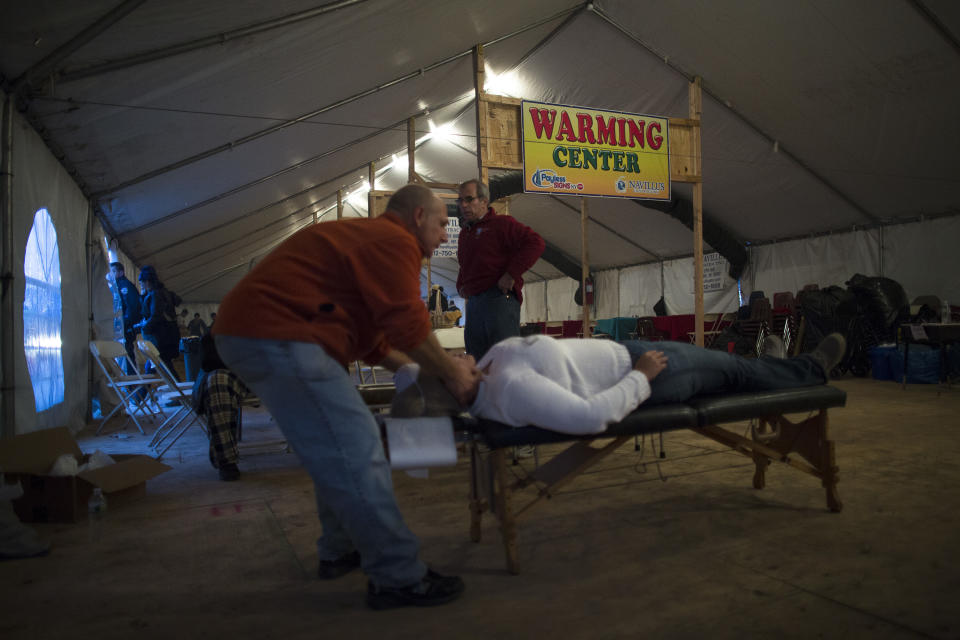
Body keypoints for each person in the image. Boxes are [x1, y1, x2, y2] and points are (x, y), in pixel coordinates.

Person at [212, 183, 479, 610]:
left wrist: (416, 371)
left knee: (341, 446)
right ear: (416, 218)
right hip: (279, 332)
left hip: (263, 331)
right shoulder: (394, 241)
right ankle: (397, 576)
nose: (446, 235)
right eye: (442, 223)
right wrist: (456, 377)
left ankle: (340, 549)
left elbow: (375, 341)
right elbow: (408, 326)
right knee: (358, 449)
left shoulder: (367, 241)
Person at [393, 333, 847, 436]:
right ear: (455, 387)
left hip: (629, 349)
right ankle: (811, 368)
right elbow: (590, 418)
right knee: (735, 371)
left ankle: (774, 368)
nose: (451, 355)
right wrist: (641, 376)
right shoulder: (510, 390)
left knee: (734, 372)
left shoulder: (489, 368)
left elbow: (407, 379)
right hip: (653, 371)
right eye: (445, 364)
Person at [456, 179, 544, 360]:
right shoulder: (465, 233)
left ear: (484, 201)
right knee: (476, 360)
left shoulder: (502, 224)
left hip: (498, 300)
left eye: (469, 199)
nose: (463, 205)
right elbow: (465, 263)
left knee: (504, 361)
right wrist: (461, 285)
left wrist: (511, 273)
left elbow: (536, 243)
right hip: (474, 304)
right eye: (460, 200)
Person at [191, 332, 250, 481]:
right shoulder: (216, 334)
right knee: (218, 381)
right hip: (229, 373)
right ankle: (226, 460)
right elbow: (209, 363)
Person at [134, 265, 182, 381]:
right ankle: (180, 394)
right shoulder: (163, 292)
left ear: (147, 281)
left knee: (161, 366)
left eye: (142, 283)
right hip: (167, 336)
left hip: (161, 338)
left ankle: (181, 394)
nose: (142, 285)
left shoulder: (155, 294)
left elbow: (156, 316)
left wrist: (144, 327)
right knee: (162, 366)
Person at [108, 262, 142, 373]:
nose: (111, 274)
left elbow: (133, 307)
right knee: (122, 354)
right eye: (110, 271)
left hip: (126, 328)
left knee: (127, 353)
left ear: (121, 272)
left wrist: (126, 323)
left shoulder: (125, 286)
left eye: (114, 271)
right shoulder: (115, 286)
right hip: (120, 327)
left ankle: (132, 383)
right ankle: (128, 382)